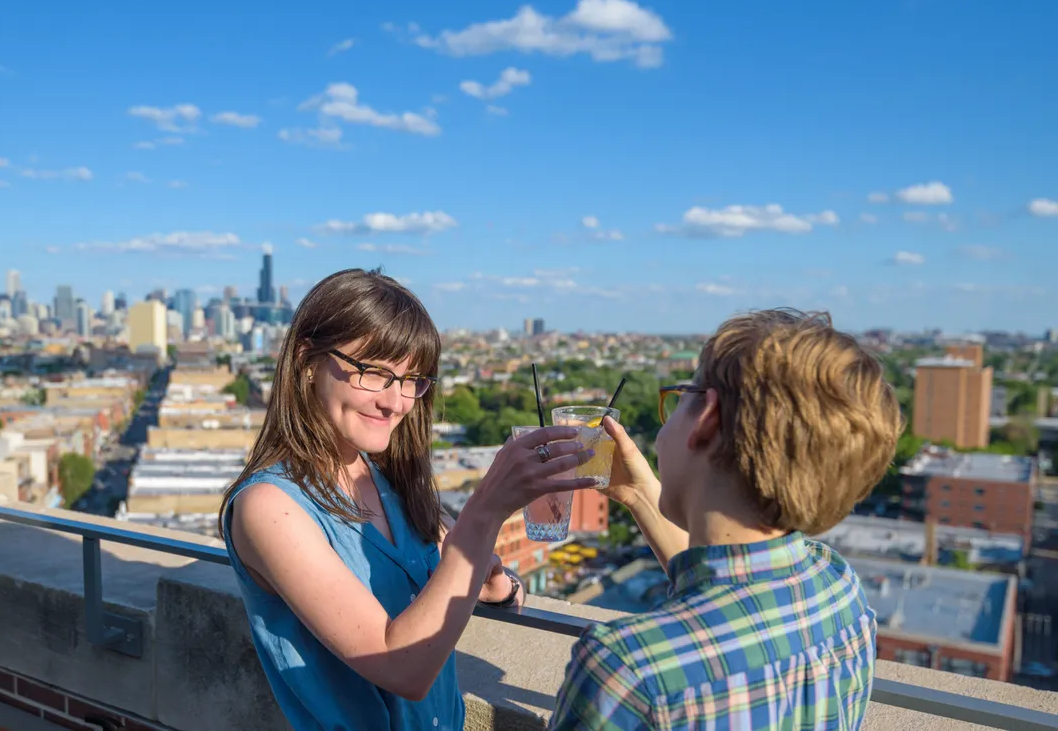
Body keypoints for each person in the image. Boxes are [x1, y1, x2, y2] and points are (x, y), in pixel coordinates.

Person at [221, 268, 597, 731]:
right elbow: (403, 669)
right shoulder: (269, 507)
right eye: (374, 373)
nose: (397, 402)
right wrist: (487, 507)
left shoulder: (391, 481)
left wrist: (499, 587)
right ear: (308, 361)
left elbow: (459, 572)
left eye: (412, 380)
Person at [550, 308, 902, 730]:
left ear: (707, 418)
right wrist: (639, 494)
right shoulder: (839, 588)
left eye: (679, 398)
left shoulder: (628, 669)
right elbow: (732, 596)